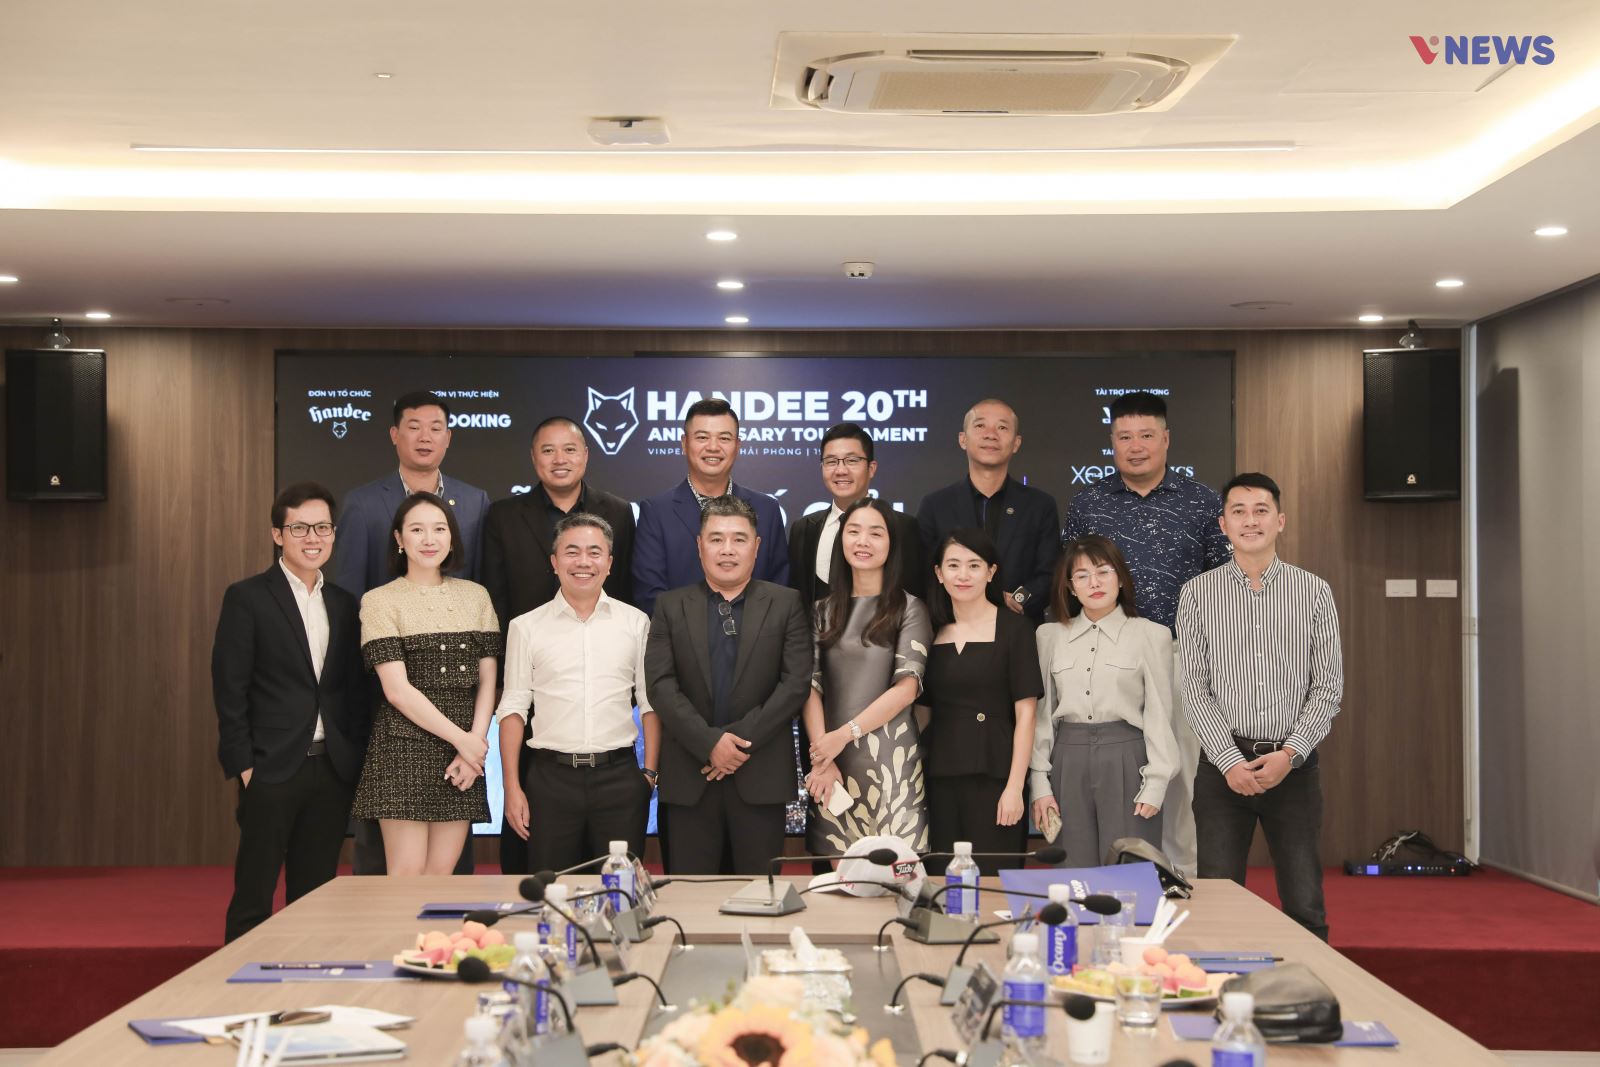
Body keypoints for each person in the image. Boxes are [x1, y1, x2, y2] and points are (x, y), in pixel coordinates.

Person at [1060, 390, 1231, 878]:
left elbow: (1222, 581)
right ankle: (1121, 876)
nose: (1136, 447)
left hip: (1178, 655)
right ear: (1112, 442)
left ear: (1166, 439)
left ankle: (1182, 879)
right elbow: (1070, 576)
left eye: (1146, 436)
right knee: (1121, 773)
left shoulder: (1202, 502)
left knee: (1181, 774)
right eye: (1124, 437)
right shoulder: (1088, 503)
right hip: (1105, 655)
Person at [1177, 473, 1343, 940]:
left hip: (1293, 767)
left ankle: (1308, 984)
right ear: (1223, 524)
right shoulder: (1197, 593)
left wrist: (1291, 754)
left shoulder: (1313, 591)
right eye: (1238, 511)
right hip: (1222, 770)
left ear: (1280, 521)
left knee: (1305, 903)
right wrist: (1229, 761)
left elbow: (1328, 686)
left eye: (1260, 510)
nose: (1250, 521)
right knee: (1217, 901)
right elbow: (1194, 688)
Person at [335, 390, 490, 875]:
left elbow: (484, 650)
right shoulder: (363, 503)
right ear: (394, 434)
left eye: (435, 427)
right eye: (414, 426)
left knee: (447, 878)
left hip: (461, 716)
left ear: (449, 437)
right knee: (391, 872)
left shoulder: (475, 501)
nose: (425, 437)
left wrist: (472, 741)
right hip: (391, 702)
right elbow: (347, 599)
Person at [212, 482, 370, 942]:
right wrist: (244, 766)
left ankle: (306, 975)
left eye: (323, 527)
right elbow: (229, 688)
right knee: (254, 894)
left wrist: (352, 758)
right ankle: (240, 977)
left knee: (314, 896)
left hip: (331, 768)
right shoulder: (247, 597)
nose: (312, 538)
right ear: (278, 535)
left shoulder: (344, 603)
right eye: (299, 528)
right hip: (270, 767)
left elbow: (352, 691)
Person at [480, 415, 636, 873]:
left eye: (569, 449)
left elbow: (626, 590)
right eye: (548, 450)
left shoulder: (618, 511)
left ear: (585, 455)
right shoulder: (504, 515)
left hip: (600, 674)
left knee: (607, 858)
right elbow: (495, 597)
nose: (559, 459)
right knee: (535, 831)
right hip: (531, 669)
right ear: (533, 458)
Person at [643, 495, 810, 874]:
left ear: (757, 546)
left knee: (759, 893)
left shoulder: (786, 603)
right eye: (716, 539)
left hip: (760, 776)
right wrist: (709, 744)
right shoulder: (670, 605)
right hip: (690, 777)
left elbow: (795, 684)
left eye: (739, 539)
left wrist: (733, 744)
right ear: (699, 545)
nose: (727, 550)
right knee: (690, 896)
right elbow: (661, 685)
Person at [495, 514, 658, 873]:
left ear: (609, 563)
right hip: (550, 781)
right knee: (552, 890)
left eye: (594, 552)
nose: (583, 562)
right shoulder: (526, 626)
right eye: (572, 552)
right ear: (554, 562)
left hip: (620, 779)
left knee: (619, 891)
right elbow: (513, 707)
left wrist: (648, 774)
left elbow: (649, 704)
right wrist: (512, 787)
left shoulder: (636, 623)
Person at [350, 492, 501, 876]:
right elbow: (397, 691)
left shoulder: (476, 596)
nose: (429, 539)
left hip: (464, 755)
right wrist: (464, 741)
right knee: (406, 880)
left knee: (441, 881)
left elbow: (488, 680)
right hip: (404, 749)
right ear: (399, 539)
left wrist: (475, 745)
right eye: (417, 530)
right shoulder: (380, 600)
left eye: (439, 529)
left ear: (452, 537)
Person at [1029, 535, 1179, 868]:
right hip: (1068, 760)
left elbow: (1159, 714)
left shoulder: (1151, 634)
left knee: (1129, 872)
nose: (1093, 583)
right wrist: (1039, 783)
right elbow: (1042, 717)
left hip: (1128, 758)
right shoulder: (1049, 636)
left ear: (1120, 578)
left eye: (1103, 572)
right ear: (1070, 587)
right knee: (1073, 873)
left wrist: (1156, 782)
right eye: (1082, 576)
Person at [802, 498, 932, 854]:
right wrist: (823, 758)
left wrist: (843, 736)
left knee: (896, 881)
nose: (863, 541)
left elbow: (907, 689)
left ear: (891, 544)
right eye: (854, 531)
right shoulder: (821, 610)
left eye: (876, 533)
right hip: (832, 765)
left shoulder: (910, 608)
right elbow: (810, 688)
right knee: (840, 881)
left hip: (892, 766)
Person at [919, 529, 1042, 873]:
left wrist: (1015, 787)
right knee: (942, 881)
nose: (963, 575)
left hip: (996, 775)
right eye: (953, 565)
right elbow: (922, 712)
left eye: (974, 565)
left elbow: (1027, 714)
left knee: (993, 881)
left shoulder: (1015, 628)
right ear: (939, 573)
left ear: (991, 572)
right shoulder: (929, 629)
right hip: (939, 775)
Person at [633, 398, 788, 619]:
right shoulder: (656, 512)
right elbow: (650, 596)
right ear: (684, 443)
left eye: (724, 438)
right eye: (702, 437)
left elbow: (779, 592)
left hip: (756, 639)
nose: (713, 447)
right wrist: (704, 633)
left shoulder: (767, 509)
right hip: (680, 639)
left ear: (737, 445)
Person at [917, 399, 1060, 621]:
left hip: (1019, 628)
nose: (991, 434)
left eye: (1002, 427)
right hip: (953, 627)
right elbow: (925, 575)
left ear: (1016, 443)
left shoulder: (1040, 505)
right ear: (962, 439)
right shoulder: (935, 505)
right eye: (980, 425)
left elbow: (1049, 574)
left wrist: (1016, 599)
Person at [788, 422, 923, 613]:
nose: (841, 470)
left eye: (851, 461)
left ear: (871, 468)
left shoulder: (903, 527)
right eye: (831, 461)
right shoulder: (803, 529)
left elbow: (915, 597)